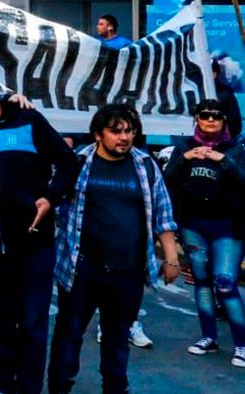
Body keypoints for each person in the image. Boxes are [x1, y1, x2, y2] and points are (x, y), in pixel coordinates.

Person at [0, 67, 78, 394]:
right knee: (1, 322)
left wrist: (50, 197)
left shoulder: (28, 121)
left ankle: (29, 388)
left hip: (34, 244)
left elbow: (67, 162)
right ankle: (4, 384)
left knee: (33, 324)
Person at [46, 104, 180, 394]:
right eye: (116, 131)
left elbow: (163, 213)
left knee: (117, 338)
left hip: (128, 270)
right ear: (98, 134)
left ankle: (115, 388)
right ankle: (59, 387)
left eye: (130, 131)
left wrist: (170, 258)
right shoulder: (78, 162)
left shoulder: (145, 165)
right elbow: (51, 200)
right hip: (81, 268)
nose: (124, 137)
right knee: (69, 334)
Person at [163, 98, 245, 367]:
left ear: (224, 120)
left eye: (216, 116)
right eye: (204, 115)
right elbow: (166, 183)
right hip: (193, 226)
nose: (210, 120)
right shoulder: (184, 147)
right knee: (201, 282)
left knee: (225, 282)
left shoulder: (236, 149)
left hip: (227, 228)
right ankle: (208, 337)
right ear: (196, 119)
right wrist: (185, 158)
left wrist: (224, 161)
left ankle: (242, 345)